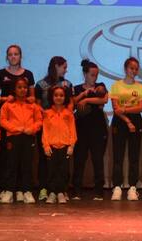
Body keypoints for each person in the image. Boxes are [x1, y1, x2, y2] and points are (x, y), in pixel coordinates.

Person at [0, 44, 36, 202]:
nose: (13, 57)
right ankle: (6, 189)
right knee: (7, 158)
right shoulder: (0, 74)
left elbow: (32, 97)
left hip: (24, 119)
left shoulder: (28, 74)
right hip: (8, 119)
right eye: (10, 54)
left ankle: (21, 189)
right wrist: (6, 99)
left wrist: (28, 99)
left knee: (24, 159)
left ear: (20, 56)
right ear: (7, 57)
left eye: (16, 54)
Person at [0, 76, 43, 204]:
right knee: (11, 164)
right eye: (19, 87)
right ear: (14, 89)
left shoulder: (33, 105)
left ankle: (27, 191)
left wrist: (32, 129)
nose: (22, 90)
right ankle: (9, 191)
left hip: (28, 137)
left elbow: (39, 120)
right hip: (13, 137)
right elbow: (2, 120)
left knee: (26, 165)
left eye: (24, 87)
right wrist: (15, 128)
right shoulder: (8, 105)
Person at [35, 57, 73, 200]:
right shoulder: (41, 84)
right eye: (64, 67)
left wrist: (66, 114)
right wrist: (46, 114)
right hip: (47, 124)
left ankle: (62, 189)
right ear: (56, 66)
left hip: (63, 126)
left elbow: (71, 103)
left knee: (63, 162)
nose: (66, 70)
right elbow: (37, 104)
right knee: (45, 158)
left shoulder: (67, 84)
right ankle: (45, 188)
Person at [72, 59, 109, 200]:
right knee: (79, 160)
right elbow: (73, 103)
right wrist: (84, 94)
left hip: (98, 129)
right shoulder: (77, 88)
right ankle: (76, 190)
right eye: (92, 75)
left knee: (97, 159)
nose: (95, 77)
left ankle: (99, 191)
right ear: (85, 74)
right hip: (81, 129)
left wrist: (86, 100)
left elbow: (104, 100)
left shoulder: (100, 86)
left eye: (96, 75)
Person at [110, 57, 142, 201]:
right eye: (131, 68)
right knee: (118, 156)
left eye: (136, 69)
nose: (134, 71)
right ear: (126, 69)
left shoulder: (140, 87)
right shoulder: (116, 86)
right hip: (119, 122)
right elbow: (116, 109)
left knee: (134, 156)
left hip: (136, 121)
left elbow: (141, 107)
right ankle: (117, 187)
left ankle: (132, 187)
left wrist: (125, 110)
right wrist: (127, 121)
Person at [41, 86, 77, 204]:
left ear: (65, 97)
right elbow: (45, 131)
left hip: (65, 146)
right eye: (56, 95)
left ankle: (61, 192)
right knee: (51, 170)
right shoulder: (47, 113)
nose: (58, 97)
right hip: (51, 147)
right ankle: (52, 192)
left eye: (61, 95)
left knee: (64, 171)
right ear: (51, 97)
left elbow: (72, 130)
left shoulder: (68, 113)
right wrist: (46, 145)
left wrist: (71, 145)